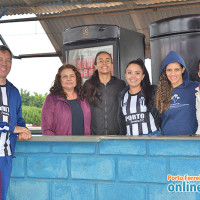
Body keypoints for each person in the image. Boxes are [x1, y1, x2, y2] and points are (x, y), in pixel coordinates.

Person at [0, 45, 32, 200]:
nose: (4, 64)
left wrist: (24, 130)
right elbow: (13, 126)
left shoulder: (13, 91)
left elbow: (19, 119)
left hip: (5, 155)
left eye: (8, 60)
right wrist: (13, 129)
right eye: (0, 59)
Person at [155, 51, 199, 136]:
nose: (172, 74)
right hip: (167, 142)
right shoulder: (161, 92)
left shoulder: (195, 88)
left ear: (183, 70)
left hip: (190, 142)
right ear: (165, 71)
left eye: (176, 69)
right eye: (169, 70)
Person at [41, 64, 91, 135]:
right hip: (62, 145)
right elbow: (46, 129)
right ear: (59, 80)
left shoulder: (84, 97)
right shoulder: (51, 99)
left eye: (72, 76)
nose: (69, 79)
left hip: (85, 144)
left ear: (76, 79)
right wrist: (57, 145)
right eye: (65, 76)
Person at [84, 51, 126, 135]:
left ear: (111, 65)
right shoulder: (88, 85)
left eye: (107, 60)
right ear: (95, 66)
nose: (104, 63)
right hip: (95, 137)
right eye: (100, 61)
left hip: (117, 137)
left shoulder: (120, 84)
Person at [118, 59, 160, 135]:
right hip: (131, 141)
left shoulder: (152, 92)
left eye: (137, 73)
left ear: (142, 76)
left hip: (152, 138)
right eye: (129, 72)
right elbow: (122, 122)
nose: (133, 76)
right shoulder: (122, 96)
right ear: (125, 75)